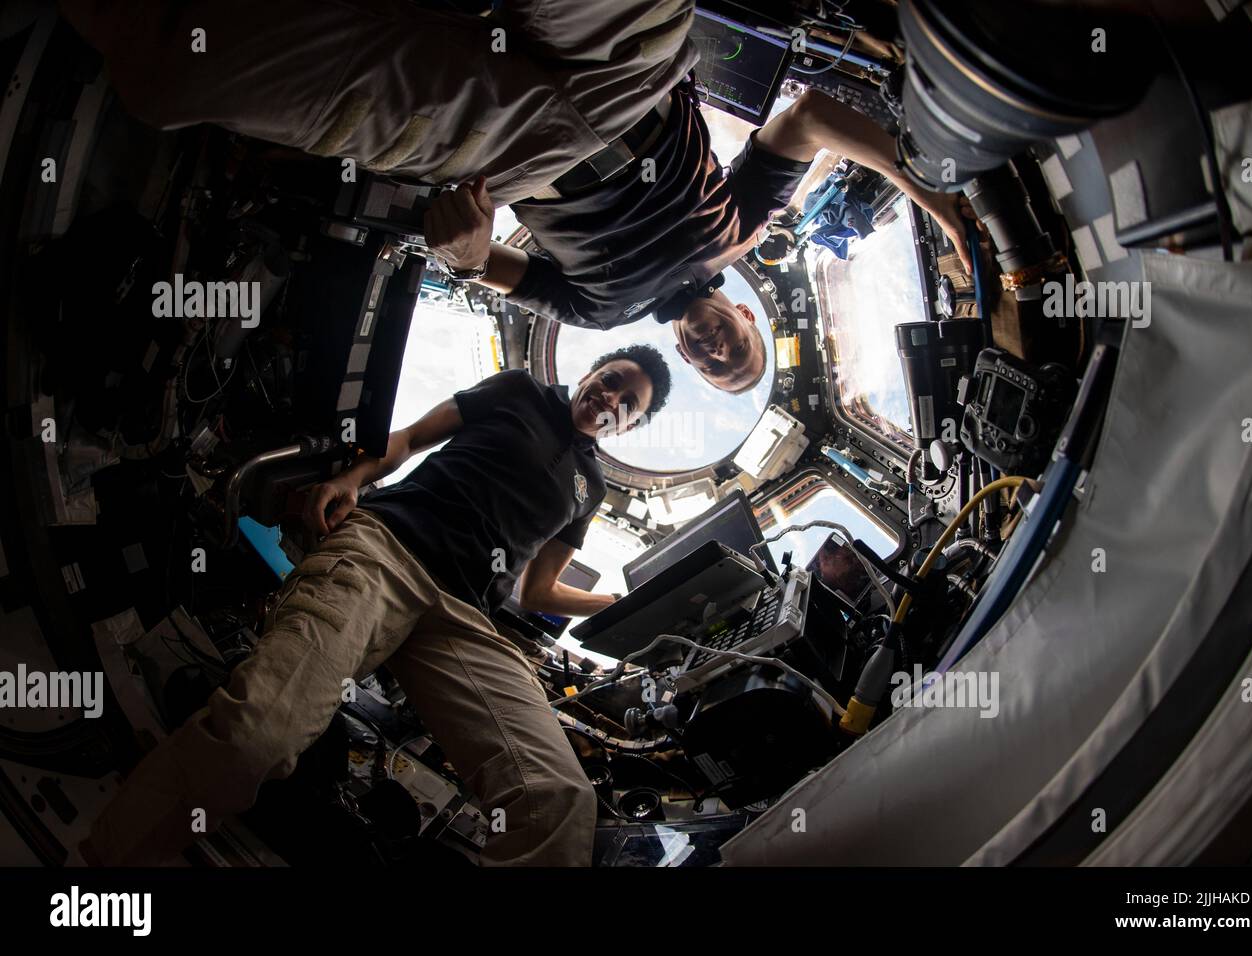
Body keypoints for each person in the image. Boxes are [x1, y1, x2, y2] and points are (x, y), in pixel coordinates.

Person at [60, 0, 973, 396]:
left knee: (168, 69)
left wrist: (457, 247)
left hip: (503, 154)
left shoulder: (591, 308)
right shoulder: (741, 229)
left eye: (709, 367)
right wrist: (927, 191)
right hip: (633, 81)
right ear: (740, 315)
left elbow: (484, 264)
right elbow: (809, 115)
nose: (711, 349)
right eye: (733, 350)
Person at [81, 346, 672, 866]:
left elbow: (539, 592)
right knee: (255, 737)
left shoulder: (589, 488)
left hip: (465, 618)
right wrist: (357, 477)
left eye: (628, 404)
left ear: (628, 426)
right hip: (387, 553)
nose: (611, 397)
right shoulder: (519, 389)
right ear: (594, 369)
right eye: (613, 378)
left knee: (558, 803)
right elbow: (412, 438)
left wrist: (622, 604)